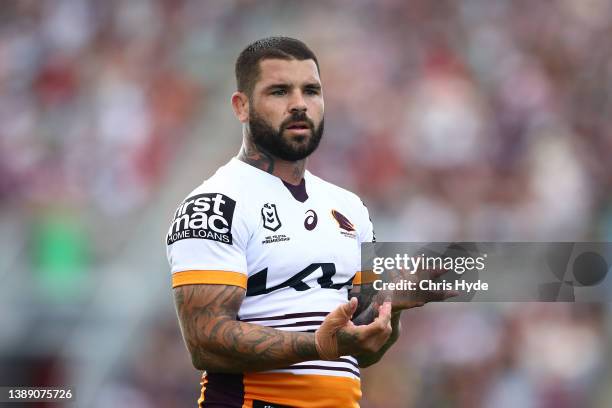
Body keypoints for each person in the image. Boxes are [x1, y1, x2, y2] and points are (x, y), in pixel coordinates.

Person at [166, 36, 449, 408]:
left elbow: (361, 352)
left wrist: (390, 307)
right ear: (241, 106)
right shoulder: (214, 204)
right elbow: (205, 343)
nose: (299, 104)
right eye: (280, 91)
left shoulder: (350, 208)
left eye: (311, 91)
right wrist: (319, 343)